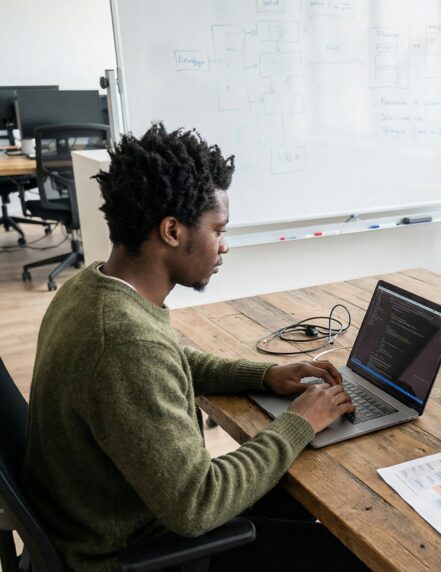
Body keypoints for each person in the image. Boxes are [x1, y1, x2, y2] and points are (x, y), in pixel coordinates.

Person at [22, 123, 366, 571]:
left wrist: (263, 375)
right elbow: (197, 504)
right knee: (355, 554)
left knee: (301, 492)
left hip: (118, 513)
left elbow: (167, 360)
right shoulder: (124, 343)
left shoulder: (90, 288)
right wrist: (300, 422)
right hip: (135, 553)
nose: (225, 246)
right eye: (218, 229)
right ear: (172, 230)